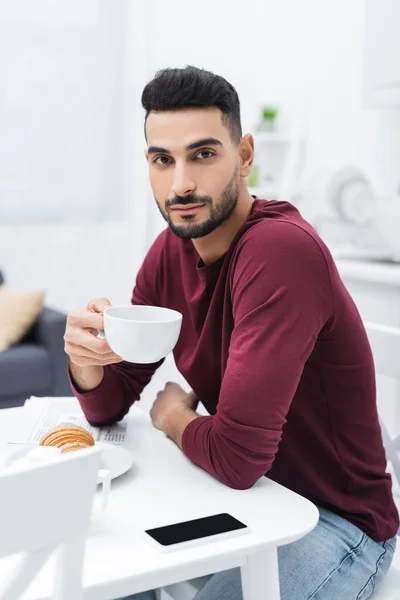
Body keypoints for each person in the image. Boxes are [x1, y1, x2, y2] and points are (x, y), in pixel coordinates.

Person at [64, 66, 399, 600]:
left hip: (334, 521)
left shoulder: (279, 252)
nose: (181, 185)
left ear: (244, 155)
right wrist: (85, 362)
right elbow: (107, 409)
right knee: (92, 575)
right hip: (239, 501)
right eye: (162, 160)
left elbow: (239, 458)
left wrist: (174, 417)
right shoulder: (168, 254)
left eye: (203, 154)